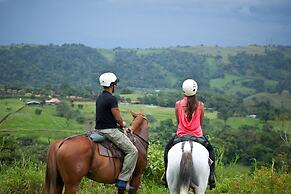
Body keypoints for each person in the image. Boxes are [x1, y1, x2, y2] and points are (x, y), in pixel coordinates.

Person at [161, 79, 216, 190]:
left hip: (181, 135)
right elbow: (200, 123)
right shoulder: (200, 105)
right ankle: (212, 177)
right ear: (196, 91)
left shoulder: (178, 104)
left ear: (183, 91)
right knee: (211, 151)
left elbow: (178, 122)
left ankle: (165, 174)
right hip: (198, 136)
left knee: (167, 149)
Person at [95, 72, 138, 191]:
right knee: (133, 151)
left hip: (98, 130)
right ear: (112, 85)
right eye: (115, 84)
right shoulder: (111, 98)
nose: (116, 87)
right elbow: (118, 118)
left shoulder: (99, 97)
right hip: (110, 131)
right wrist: (124, 125)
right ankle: (122, 181)